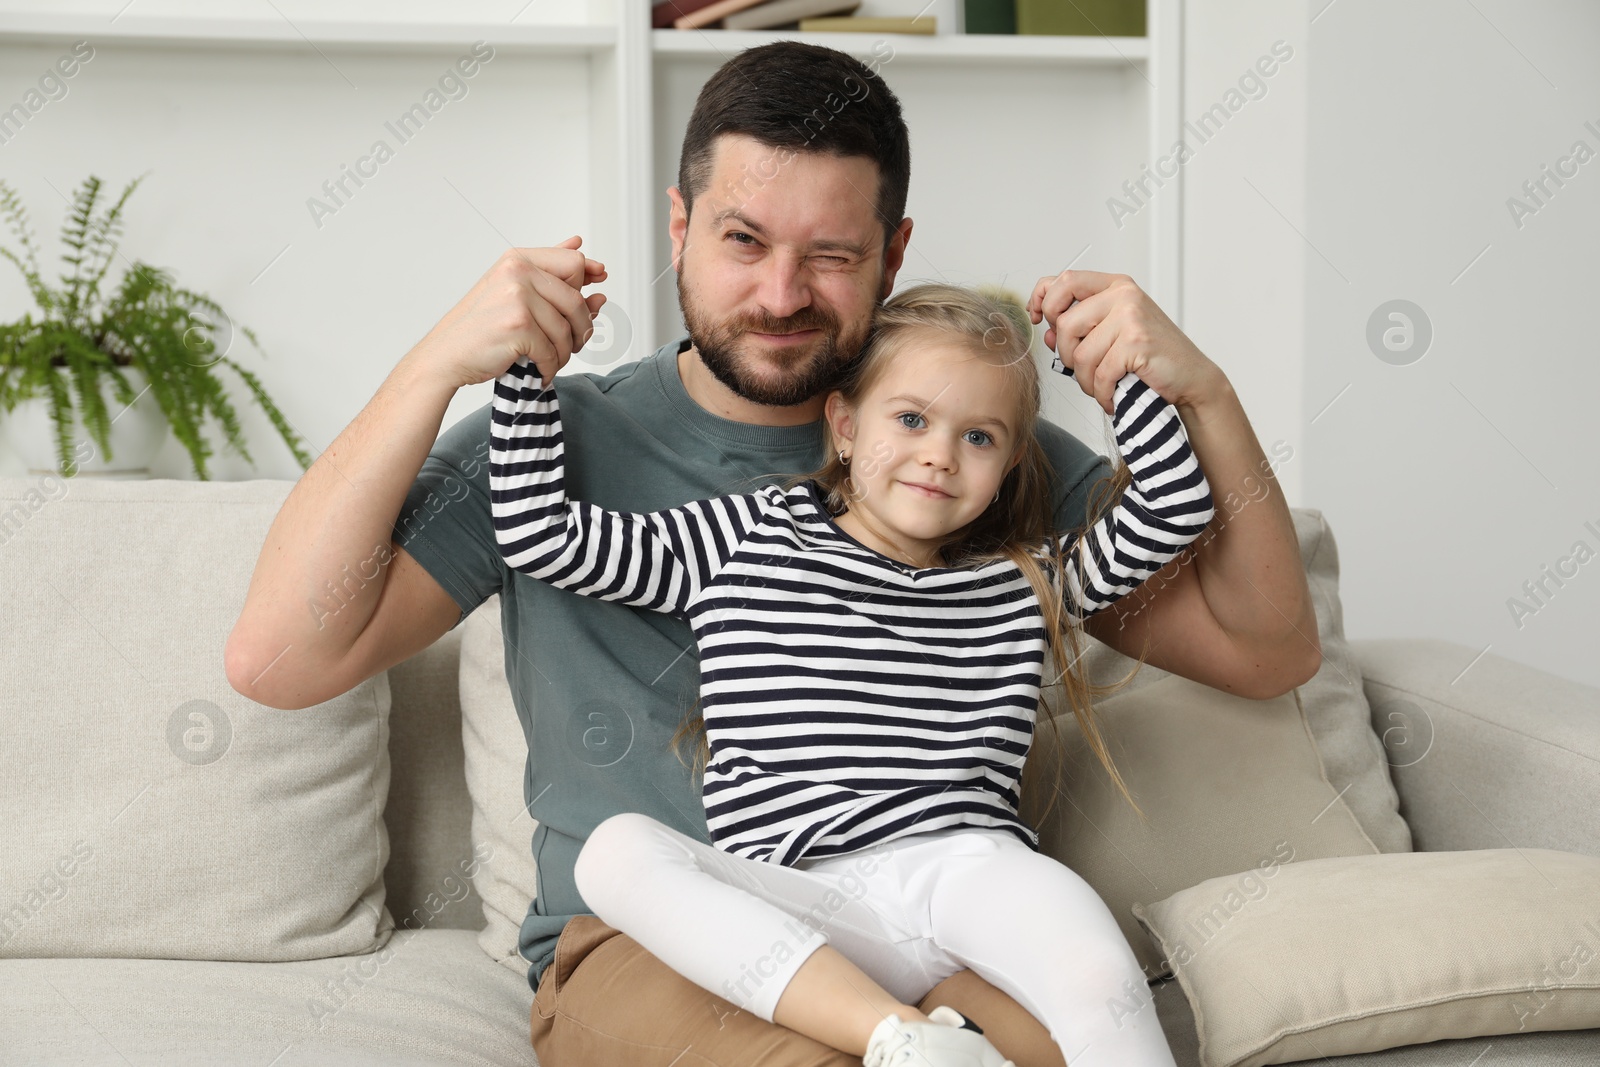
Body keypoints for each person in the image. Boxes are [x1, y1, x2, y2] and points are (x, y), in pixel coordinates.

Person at [227, 39, 1319, 1067]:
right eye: (743, 240)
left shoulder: (972, 448)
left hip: (945, 916)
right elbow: (278, 661)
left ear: (892, 253)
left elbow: (1264, 651)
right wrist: (437, 365)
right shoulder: (573, 440)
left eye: (832, 255)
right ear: (679, 227)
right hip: (648, 943)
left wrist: (1203, 395)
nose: (782, 294)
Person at [486, 280, 1212, 1066]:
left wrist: (1115, 373)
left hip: (966, 873)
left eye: (980, 437)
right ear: (843, 423)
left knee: (1097, 974)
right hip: (797, 903)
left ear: (1007, 465)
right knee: (616, 853)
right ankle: (899, 1039)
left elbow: (1177, 504)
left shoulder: (1026, 579)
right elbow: (540, 534)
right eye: (910, 419)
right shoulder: (748, 533)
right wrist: (528, 369)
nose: (939, 453)